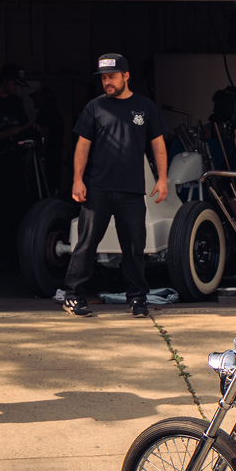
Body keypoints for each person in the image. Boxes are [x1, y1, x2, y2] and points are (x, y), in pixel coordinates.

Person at [61, 53, 169, 319]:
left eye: (111, 77)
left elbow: (157, 143)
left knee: (134, 246)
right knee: (86, 244)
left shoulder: (145, 107)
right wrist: (77, 180)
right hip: (97, 188)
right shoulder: (95, 108)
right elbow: (82, 146)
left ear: (126, 76)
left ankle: (138, 299)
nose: (107, 82)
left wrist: (163, 178)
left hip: (132, 190)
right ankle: (73, 296)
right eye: (104, 78)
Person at [0, 63, 43, 262]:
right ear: (5, 80)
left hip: (19, 161)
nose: (16, 89)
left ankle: (19, 256)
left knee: (22, 207)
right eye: (15, 84)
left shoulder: (15, 101)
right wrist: (8, 133)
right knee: (1, 210)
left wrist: (32, 131)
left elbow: (21, 129)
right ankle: (1, 258)